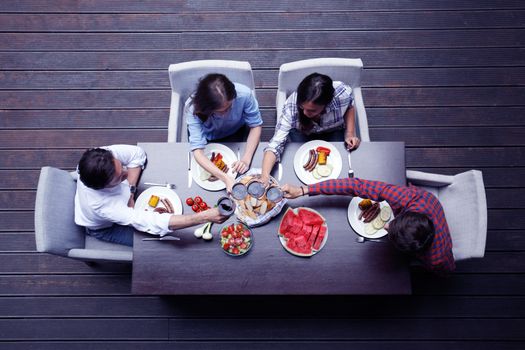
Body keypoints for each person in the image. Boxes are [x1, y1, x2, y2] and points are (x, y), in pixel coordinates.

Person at [281, 177, 456, 273]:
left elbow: (446, 268)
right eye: (393, 223)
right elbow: (355, 185)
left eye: (391, 231)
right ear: (408, 214)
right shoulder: (412, 198)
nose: (386, 226)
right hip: (428, 202)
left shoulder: (437, 259)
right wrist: (304, 190)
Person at [75, 145, 229, 246]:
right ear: (103, 187)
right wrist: (204, 217)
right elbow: (152, 221)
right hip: (104, 227)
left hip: (125, 201)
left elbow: (137, 154)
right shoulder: (103, 205)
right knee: (153, 244)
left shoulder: (102, 156)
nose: (126, 172)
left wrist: (131, 191)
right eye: (119, 178)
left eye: (121, 165)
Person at [260, 73, 360, 185]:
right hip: (302, 133)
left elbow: (350, 106)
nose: (305, 113)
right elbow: (275, 144)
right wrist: (264, 175)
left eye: (312, 110)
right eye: (302, 107)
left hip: (333, 130)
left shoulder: (342, 93)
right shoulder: (291, 107)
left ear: (327, 103)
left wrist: (350, 133)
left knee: (344, 163)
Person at [185, 73, 263, 192]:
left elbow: (256, 126)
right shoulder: (193, 109)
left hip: (235, 131)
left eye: (229, 107)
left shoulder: (245, 95)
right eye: (221, 111)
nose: (226, 114)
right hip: (207, 137)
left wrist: (246, 159)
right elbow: (198, 152)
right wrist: (225, 178)